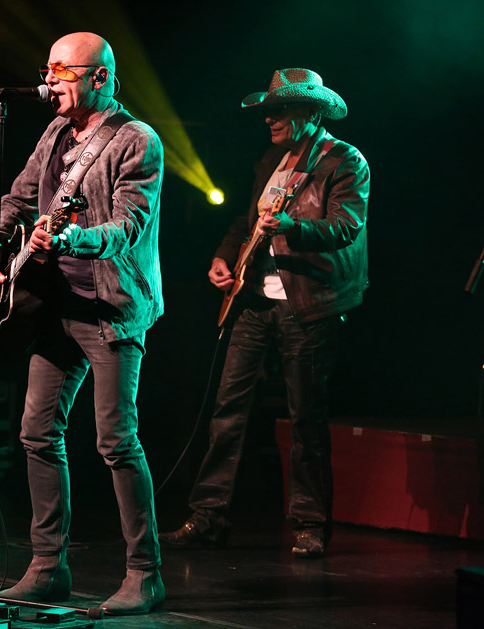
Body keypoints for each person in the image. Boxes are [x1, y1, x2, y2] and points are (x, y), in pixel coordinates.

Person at [0, 32, 164, 614]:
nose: (49, 81)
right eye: (48, 69)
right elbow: (19, 196)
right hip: (57, 305)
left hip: (110, 307)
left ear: (98, 77)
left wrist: (75, 236)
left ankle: (145, 574)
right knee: (35, 432)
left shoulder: (137, 141)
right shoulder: (55, 131)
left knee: (116, 440)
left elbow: (131, 226)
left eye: (62, 71)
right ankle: (47, 566)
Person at [161, 68, 369, 558]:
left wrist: (292, 226)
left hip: (309, 305)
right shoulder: (272, 160)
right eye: (267, 110)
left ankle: (310, 524)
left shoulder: (344, 160)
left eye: (281, 109)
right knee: (227, 410)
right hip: (254, 301)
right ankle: (209, 516)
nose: (269, 118)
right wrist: (223, 256)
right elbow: (245, 219)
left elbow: (346, 226)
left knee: (306, 420)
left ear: (311, 112)